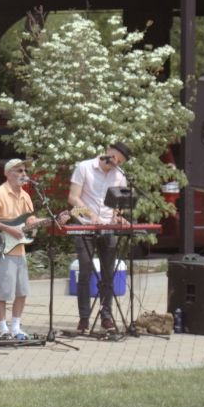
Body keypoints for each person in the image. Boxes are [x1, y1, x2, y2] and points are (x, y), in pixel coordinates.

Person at [59, 142, 131, 333]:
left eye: (120, 161)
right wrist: (92, 216)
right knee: (85, 270)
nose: (116, 163)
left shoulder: (120, 175)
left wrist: (118, 217)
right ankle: (84, 318)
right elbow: (73, 198)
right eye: (115, 158)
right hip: (85, 224)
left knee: (109, 272)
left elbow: (119, 203)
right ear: (108, 151)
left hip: (108, 227)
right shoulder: (84, 167)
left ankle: (106, 315)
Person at [0, 157, 41, 344]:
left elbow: (30, 220)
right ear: (7, 174)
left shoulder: (26, 195)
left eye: (24, 171)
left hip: (19, 249)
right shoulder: (0, 192)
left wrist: (52, 220)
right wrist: (8, 228)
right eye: (18, 171)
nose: (23, 174)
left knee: (22, 290)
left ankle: (15, 326)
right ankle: (2, 327)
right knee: (4, 291)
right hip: (3, 248)